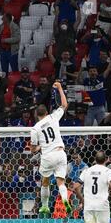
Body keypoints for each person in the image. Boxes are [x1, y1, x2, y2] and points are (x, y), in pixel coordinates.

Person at [30, 82, 70, 214]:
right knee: (61, 182)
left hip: (48, 155)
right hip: (60, 153)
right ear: (47, 112)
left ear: (37, 115)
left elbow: (33, 149)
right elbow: (64, 105)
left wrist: (40, 146)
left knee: (45, 181)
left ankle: (45, 206)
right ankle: (65, 199)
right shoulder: (53, 117)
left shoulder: (35, 128)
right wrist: (59, 88)